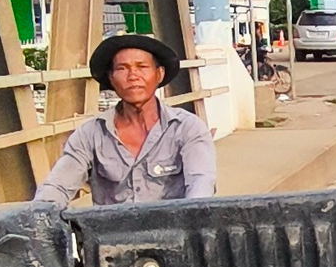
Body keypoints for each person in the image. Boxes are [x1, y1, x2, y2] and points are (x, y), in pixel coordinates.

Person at [34, 35, 217, 208]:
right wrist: (40, 213)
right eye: (122, 68)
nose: (133, 76)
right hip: (110, 239)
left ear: (159, 74)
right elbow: (58, 186)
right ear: (111, 78)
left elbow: (201, 183)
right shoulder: (90, 134)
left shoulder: (187, 128)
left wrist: (195, 216)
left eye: (142, 67)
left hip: (174, 238)